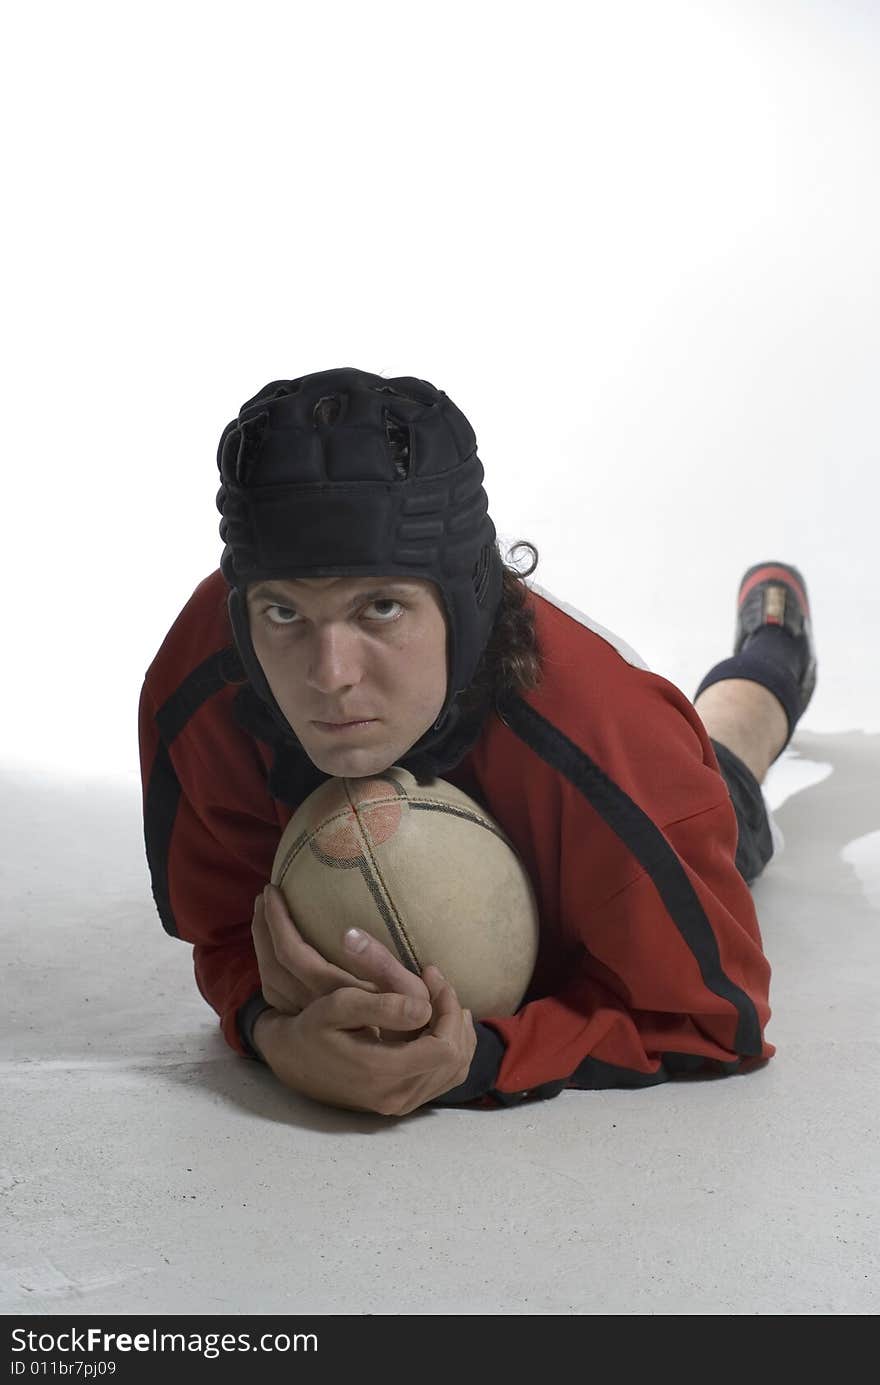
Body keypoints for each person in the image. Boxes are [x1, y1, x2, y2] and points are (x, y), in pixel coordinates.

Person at [138, 367, 818, 1116]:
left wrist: (478, 1060)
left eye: (382, 607)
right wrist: (273, 1032)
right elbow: (228, 929)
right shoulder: (203, 683)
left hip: (598, 775)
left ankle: (773, 655)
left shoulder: (614, 752)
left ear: (464, 601)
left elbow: (717, 1018)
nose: (329, 675)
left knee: (726, 770)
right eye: (285, 613)